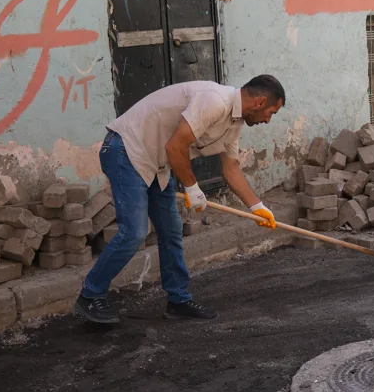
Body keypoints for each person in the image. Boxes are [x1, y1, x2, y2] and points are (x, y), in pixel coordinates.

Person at [74, 76, 285, 324]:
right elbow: (176, 146)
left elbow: (231, 170)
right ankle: (91, 294)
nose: (268, 120)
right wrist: (192, 187)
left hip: (157, 161)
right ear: (260, 102)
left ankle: (178, 300)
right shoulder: (214, 100)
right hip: (126, 150)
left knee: (171, 230)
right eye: (271, 112)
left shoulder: (233, 123)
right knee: (135, 231)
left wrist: (257, 207)